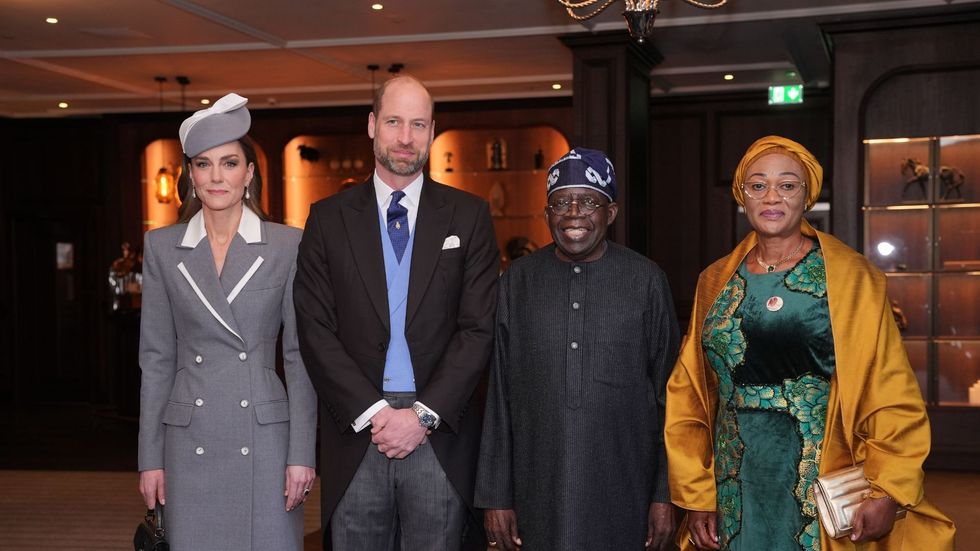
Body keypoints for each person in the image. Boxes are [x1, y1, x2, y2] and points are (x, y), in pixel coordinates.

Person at [664, 136, 955, 551]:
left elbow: (888, 389)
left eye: (787, 185)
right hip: (734, 481)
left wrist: (889, 487)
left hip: (819, 483)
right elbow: (690, 392)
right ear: (741, 196)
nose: (772, 196)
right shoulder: (714, 281)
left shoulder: (852, 278)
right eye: (758, 185)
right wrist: (696, 494)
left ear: (807, 196)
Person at [293, 75, 499, 550]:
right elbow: (315, 328)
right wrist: (375, 413)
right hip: (357, 433)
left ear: (432, 131)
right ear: (371, 126)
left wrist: (421, 416)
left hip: (439, 434)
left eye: (418, 124)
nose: (406, 137)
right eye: (393, 122)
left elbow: (478, 327)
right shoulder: (327, 218)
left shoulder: (469, 216)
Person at [476, 148, 681, 551]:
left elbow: (673, 398)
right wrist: (495, 495)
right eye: (560, 202)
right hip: (537, 492)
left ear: (611, 212)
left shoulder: (646, 281)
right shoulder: (517, 282)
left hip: (626, 492)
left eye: (588, 201)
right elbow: (497, 396)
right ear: (546, 214)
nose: (573, 213)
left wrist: (666, 493)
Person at [137, 93, 317, 550]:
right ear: (190, 175)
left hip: (264, 438)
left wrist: (302, 454)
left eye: (230, 163)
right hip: (188, 438)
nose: (217, 176)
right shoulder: (162, 247)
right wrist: (149, 458)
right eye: (203, 164)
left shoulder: (286, 245)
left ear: (250, 173)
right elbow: (156, 360)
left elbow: (298, 360)